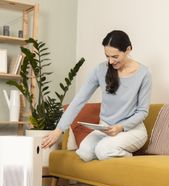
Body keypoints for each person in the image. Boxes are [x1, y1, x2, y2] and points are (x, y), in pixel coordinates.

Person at [42, 30, 152, 162]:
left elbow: (142, 111)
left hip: (131, 130)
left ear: (128, 50)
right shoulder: (101, 70)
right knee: (84, 153)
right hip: (105, 129)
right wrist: (58, 130)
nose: (110, 61)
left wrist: (120, 127)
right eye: (107, 56)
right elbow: (79, 100)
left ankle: (132, 160)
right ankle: (113, 150)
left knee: (103, 150)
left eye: (115, 56)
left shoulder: (143, 74)